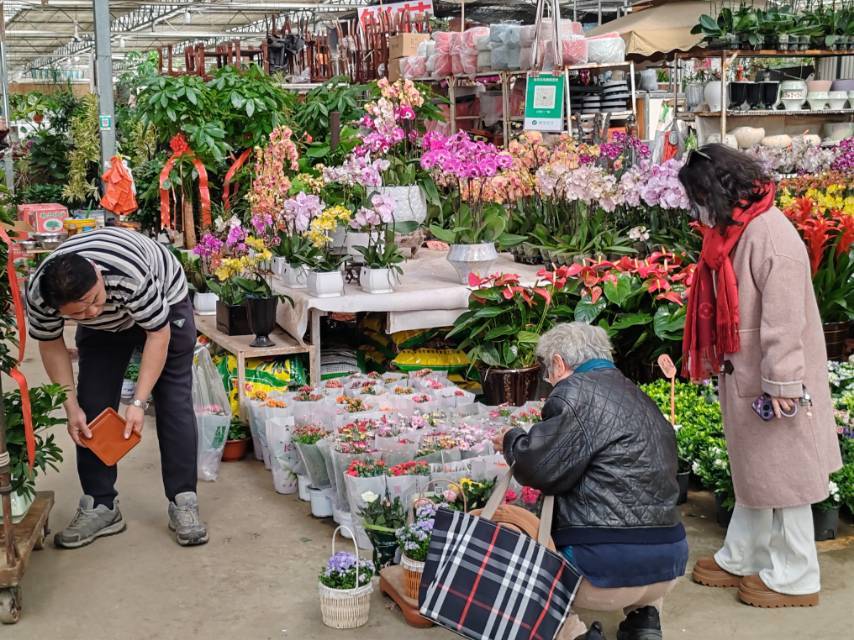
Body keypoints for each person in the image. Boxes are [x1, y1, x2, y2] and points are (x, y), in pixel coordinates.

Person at [678, 144, 841, 607]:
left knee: (786, 477)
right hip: (752, 374)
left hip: (777, 381)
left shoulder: (769, 233)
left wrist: (783, 383)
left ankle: (797, 576)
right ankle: (745, 555)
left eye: (699, 196)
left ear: (718, 190)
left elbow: (785, 319)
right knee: (756, 471)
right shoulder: (738, 228)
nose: (697, 207)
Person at [493, 322, 688, 640]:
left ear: (558, 363)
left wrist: (511, 439)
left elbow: (538, 468)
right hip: (668, 563)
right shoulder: (638, 395)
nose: (548, 381)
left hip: (602, 569)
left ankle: (573, 633)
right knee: (643, 516)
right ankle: (644, 619)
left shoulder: (574, 392)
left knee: (506, 542)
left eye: (547, 371)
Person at [26, 227, 208, 548]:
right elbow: (51, 344)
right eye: (78, 314)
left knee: (173, 400)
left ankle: (183, 500)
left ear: (97, 273)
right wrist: (70, 407)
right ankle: (101, 505)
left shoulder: (129, 275)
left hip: (164, 303)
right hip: (104, 332)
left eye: (94, 301)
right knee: (91, 407)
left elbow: (158, 334)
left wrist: (138, 402)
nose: (92, 313)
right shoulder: (40, 296)